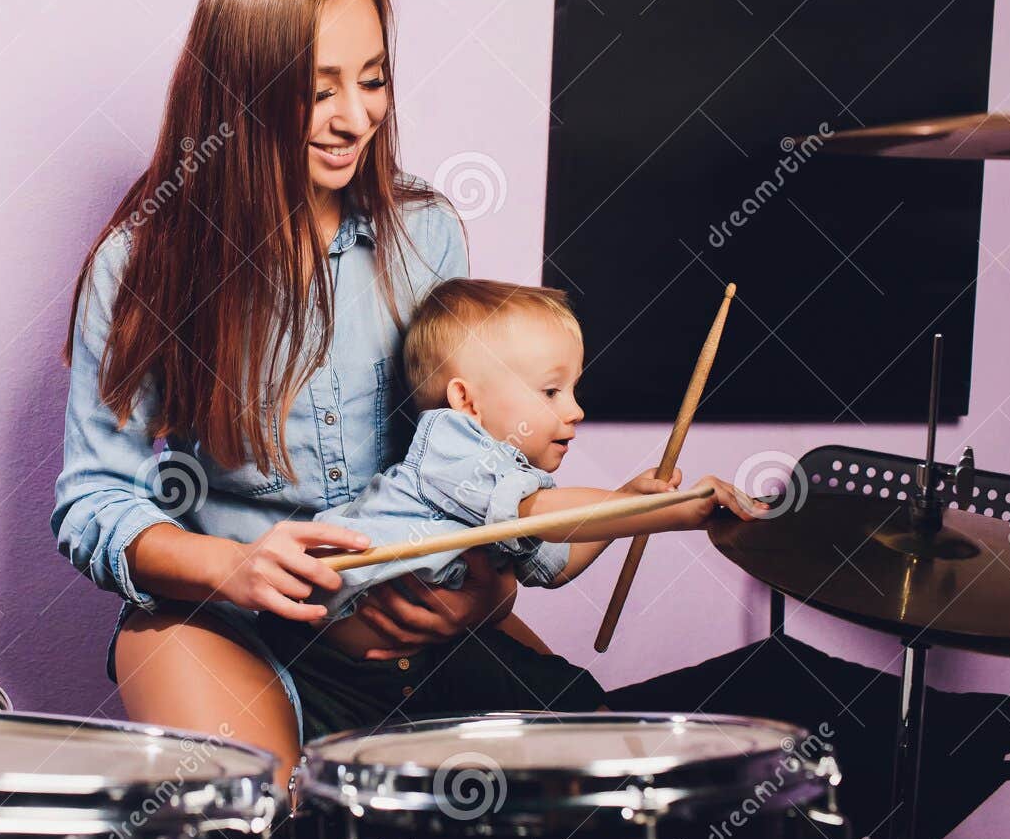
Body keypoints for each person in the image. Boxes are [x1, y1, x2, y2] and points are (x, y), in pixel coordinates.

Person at [53, 0, 531, 783]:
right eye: (319, 92)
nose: (357, 117)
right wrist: (231, 567)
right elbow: (95, 497)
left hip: (402, 605)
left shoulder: (427, 235)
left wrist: (490, 586)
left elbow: (468, 450)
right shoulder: (139, 262)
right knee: (265, 827)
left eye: (373, 78)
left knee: (570, 790)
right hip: (221, 618)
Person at [255, 277, 763, 741]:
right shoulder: (450, 444)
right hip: (320, 659)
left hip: (424, 655)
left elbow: (554, 563)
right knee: (564, 708)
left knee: (573, 701)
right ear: (467, 402)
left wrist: (628, 506)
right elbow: (538, 514)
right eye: (551, 391)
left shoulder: (505, 483)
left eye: (573, 390)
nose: (576, 409)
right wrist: (673, 511)